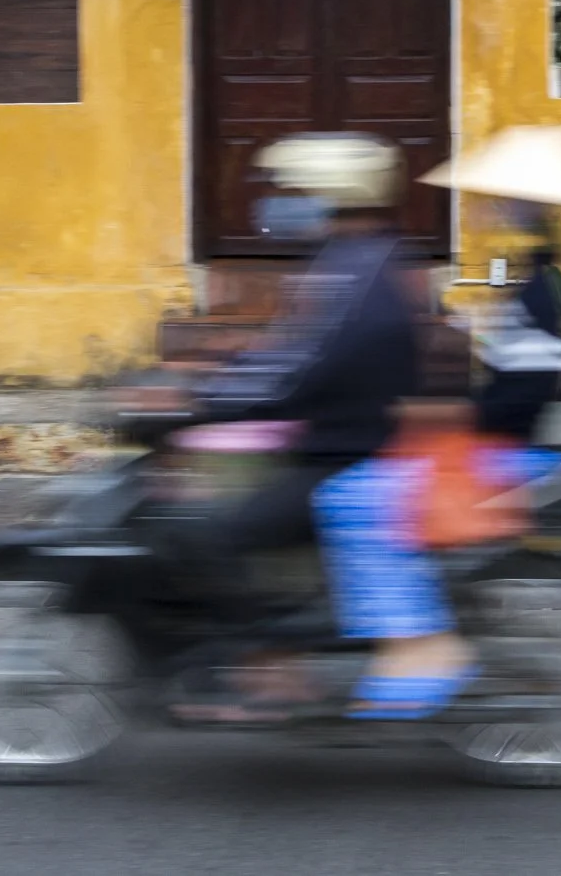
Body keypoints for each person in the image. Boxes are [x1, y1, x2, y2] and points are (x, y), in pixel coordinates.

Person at [311, 126, 561, 720]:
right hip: (502, 445)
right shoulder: (540, 283)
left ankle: (421, 649)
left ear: (525, 210)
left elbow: (520, 402)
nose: (487, 209)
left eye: (499, 200)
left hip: (507, 455)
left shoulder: (541, 292)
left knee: (350, 498)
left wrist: (443, 415)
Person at [169, 132, 422, 719]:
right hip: (345, 441)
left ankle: (270, 667)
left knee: (216, 532)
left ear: (329, 194)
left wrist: (210, 401)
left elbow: (302, 372)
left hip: (344, 456)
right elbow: (295, 351)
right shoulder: (363, 259)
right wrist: (226, 371)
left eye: (292, 190)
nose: (281, 201)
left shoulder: (350, 273)